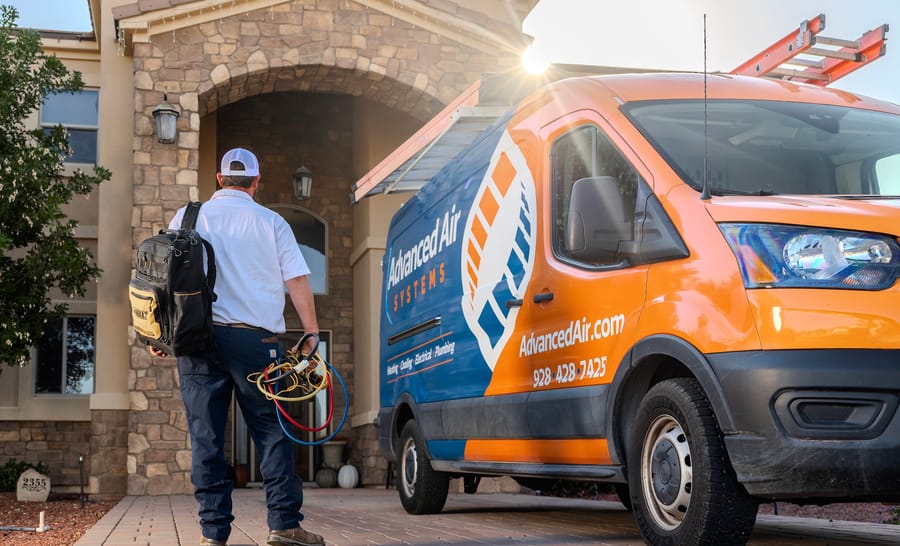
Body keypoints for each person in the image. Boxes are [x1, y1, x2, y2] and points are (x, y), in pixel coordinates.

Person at [149, 147, 325, 546]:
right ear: (256, 182)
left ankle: (213, 534)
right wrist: (311, 331)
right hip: (255, 342)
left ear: (219, 178)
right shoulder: (272, 221)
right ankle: (283, 525)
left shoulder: (188, 216)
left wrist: (162, 334)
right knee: (271, 432)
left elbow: (163, 277)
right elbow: (297, 280)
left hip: (196, 339)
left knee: (207, 436)